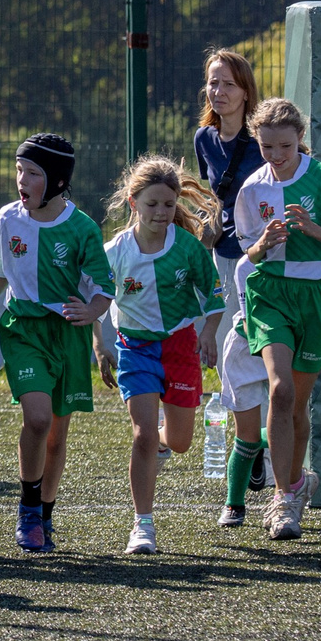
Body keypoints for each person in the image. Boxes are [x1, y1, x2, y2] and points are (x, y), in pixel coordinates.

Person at [0, 134, 112, 553]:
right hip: (24, 329)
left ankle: (45, 515)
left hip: (67, 334)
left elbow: (104, 285)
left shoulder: (82, 227)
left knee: (56, 434)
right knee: (37, 419)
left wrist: (93, 311)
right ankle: (28, 509)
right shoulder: (8, 219)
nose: (21, 180)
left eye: (32, 173)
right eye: (19, 170)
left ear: (58, 181)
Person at [234, 97, 321, 541]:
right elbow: (247, 253)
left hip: (317, 296)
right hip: (271, 293)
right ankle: (284, 499)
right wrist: (263, 242)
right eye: (267, 147)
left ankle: (296, 483)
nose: (276, 156)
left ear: (300, 139)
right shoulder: (252, 189)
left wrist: (312, 228)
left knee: (296, 405)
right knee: (280, 390)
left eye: (284, 146)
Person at [95, 157, 226, 555]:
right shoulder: (115, 251)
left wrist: (208, 332)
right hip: (135, 347)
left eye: (168, 204)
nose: (161, 212)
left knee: (181, 441)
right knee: (143, 433)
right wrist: (100, 345)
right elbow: (95, 300)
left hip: (180, 345)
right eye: (152, 204)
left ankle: (164, 445)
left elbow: (215, 296)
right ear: (133, 203)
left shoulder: (186, 248)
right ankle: (143, 526)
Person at [193, 47, 273, 526]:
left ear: (246, 91)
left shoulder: (261, 139)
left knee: (267, 355)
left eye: (226, 83)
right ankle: (251, 446)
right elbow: (211, 199)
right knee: (234, 356)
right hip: (227, 261)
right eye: (211, 83)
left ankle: (265, 446)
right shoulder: (205, 138)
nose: (217, 92)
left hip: (265, 263)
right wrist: (207, 223)